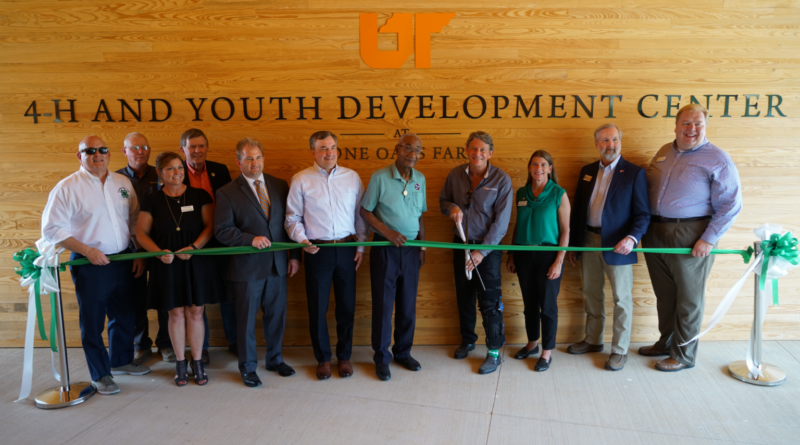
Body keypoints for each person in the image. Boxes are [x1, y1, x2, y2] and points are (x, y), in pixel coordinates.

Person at [41, 135, 149, 395]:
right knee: (92, 321)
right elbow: (51, 229)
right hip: (90, 262)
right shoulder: (67, 188)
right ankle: (101, 375)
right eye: (90, 151)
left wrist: (138, 254)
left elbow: (134, 220)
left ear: (109, 154)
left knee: (125, 314)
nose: (97, 154)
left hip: (124, 259)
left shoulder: (122, 183)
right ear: (80, 156)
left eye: (102, 149)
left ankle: (120, 361)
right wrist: (87, 250)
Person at [640, 104, 742, 372]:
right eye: (686, 123)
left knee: (689, 299)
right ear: (676, 125)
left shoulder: (718, 159)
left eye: (698, 124)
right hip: (655, 232)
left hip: (691, 235)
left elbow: (730, 205)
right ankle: (666, 343)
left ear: (705, 127)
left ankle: (683, 355)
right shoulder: (664, 151)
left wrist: (708, 239)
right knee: (665, 296)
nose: (691, 129)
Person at [214, 137, 301, 388]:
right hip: (247, 268)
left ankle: (275, 359)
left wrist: (294, 256)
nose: (255, 162)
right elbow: (222, 230)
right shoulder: (226, 192)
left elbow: (289, 223)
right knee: (246, 321)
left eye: (258, 157)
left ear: (264, 158)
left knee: (276, 316)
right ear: (238, 162)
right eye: (249, 158)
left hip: (277, 265)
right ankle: (248, 367)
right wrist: (249, 239)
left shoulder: (280, 185)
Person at [566, 124, 650, 371]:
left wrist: (632, 239)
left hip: (619, 245)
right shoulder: (587, 171)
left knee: (622, 299)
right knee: (592, 293)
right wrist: (574, 246)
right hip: (588, 242)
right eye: (605, 140)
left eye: (614, 139)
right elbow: (578, 210)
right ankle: (593, 340)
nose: (610, 145)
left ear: (620, 142)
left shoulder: (634, 173)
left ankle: (620, 350)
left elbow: (643, 214)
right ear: (597, 144)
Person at [285, 131, 368, 380]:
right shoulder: (301, 179)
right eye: (323, 148)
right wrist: (302, 240)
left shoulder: (352, 177)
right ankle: (322, 359)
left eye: (332, 147)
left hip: (346, 249)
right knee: (317, 307)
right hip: (317, 251)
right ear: (313, 152)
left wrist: (361, 247)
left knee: (347, 307)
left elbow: (360, 216)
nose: (329, 152)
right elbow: (292, 218)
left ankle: (344, 357)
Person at [136, 151, 223, 386]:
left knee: (196, 312)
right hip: (167, 263)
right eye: (171, 168)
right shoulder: (151, 199)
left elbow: (210, 227)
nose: (177, 173)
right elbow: (141, 233)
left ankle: (197, 362)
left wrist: (194, 247)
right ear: (160, 172)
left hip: (196, 261)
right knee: (174, 313)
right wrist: (158, 252)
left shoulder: (199, 195)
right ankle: (180, 363)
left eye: (180, 168)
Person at [439, 131, 513, 374]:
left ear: (490, 153)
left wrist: (481, 251)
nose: (477, 153)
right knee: (465, 297)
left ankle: (494, 351)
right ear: (466, 150)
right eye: (473, 148)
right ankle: (468, 340)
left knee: (490, 301)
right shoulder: (455, 175)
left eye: (482, 150)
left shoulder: (502, 180)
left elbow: (501, 223)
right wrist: (451, 208)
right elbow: (443, 201)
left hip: (487, 250)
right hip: (461, 245)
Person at [360, 133, 427, 381]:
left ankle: (403, 352)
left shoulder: (420, 179)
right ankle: (381, 357)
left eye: (417, 150)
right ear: (396, 149)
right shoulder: (379, 177)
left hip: (411, 251)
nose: (412, 154)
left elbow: (420, 215)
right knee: (383, 306)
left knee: (407, 305)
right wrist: (387, 232)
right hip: (385, 249)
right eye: (407, 148)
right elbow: (365, 211)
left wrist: (422, 247)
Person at [507, 150, 570, 372]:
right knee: (529, 303)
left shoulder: (559, 193)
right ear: (529, 168)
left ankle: (547, 352)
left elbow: (566, 230)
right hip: (524, 254)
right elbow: (518, 224)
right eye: (534, 164)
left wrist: (559, 260)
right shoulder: (521, 193)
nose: (538, 168)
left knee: (548, 305)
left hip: (548, 255)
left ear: (550, 168)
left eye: (543, 165)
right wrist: (511, 253)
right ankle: (532, 343)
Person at [179, 128, 237, 363]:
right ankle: (200, 348)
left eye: (201, 145)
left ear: (207, 147)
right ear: (183, 149)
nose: (197, 150)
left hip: (222, 240)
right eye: (192, 146)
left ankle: (235, 341)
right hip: (192, 243)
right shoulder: (176, 171)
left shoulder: (220, 170)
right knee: (197, 297)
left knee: (229, 293)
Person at [116, 132, 174, 364]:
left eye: (145, 147)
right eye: (135, 147)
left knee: (164, 295)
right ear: (125, 151)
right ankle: (141, 344)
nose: (141, 151)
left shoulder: (161, 174)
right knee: (135, 298)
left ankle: (166, 343)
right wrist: (137, 251)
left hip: (161, 245)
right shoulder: (115, 179)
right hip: (130, 248)